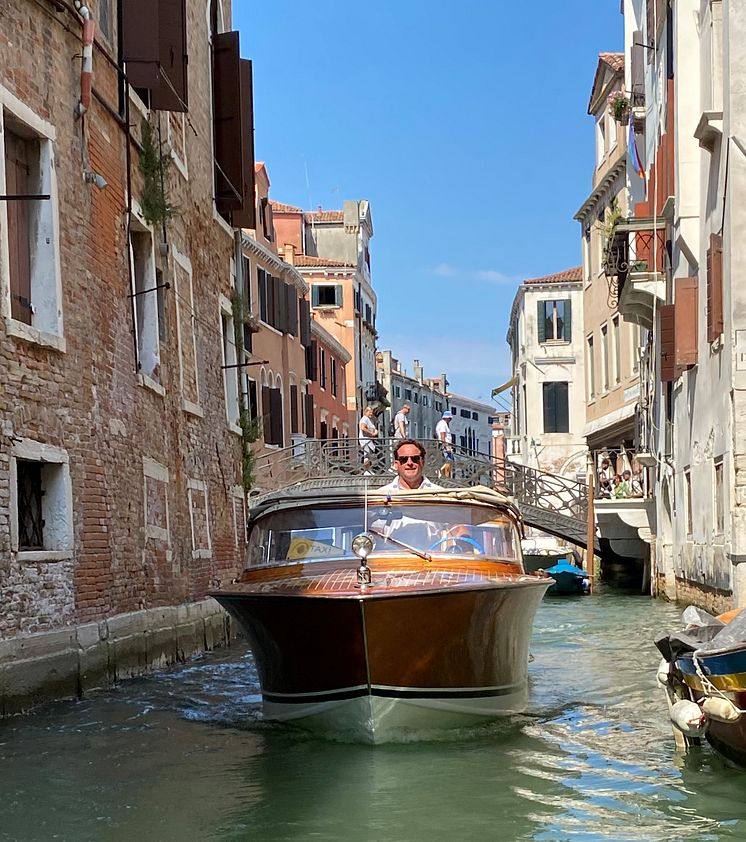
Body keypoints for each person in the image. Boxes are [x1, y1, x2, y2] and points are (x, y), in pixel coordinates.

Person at [436, 410, 454, 479]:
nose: (450, 420)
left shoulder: (442, 424)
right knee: (448, 461)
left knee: (448, 461)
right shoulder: (443, 424)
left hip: (445, 444)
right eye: (449, 418)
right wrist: (445, 446)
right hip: (445, 444)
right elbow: (442, 435)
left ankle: (443, 474)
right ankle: (445, 476)